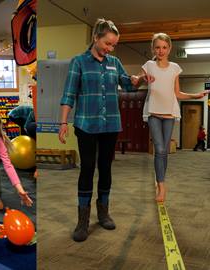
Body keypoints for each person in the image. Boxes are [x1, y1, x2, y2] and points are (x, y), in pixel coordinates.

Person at [58, 18, 145, 242]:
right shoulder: (79, 62)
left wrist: (138, 79)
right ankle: (82, 221)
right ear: (96, 38)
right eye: (107, 43)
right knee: (87, 168)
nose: (110, 48)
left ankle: (103, 213)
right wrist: (63, 123)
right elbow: (68, 95)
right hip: (86, 124)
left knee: (105, 168)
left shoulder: (114, 62)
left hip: (110, 125)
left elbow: (127, 84)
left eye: (113, 45)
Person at [139, 33, 209, 202]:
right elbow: (137, 80)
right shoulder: (148, 65)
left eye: (164, 47)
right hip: (154, 112)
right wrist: (141, 78)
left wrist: (195, 96)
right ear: (153, 49)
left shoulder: (175, 68)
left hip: (169, 113)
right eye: (157, 47)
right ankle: (161, 185)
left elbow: (177, 93)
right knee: (160, 149)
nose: (161, 50)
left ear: (169, 49)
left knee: (164, 153)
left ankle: (161, 179)